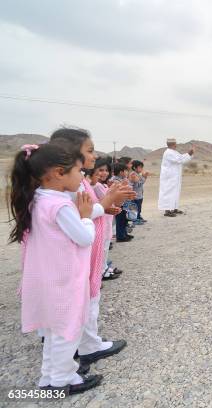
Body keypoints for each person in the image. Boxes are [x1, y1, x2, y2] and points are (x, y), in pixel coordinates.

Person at [8, 141, 103, 394]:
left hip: (46, 280)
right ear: (59, 173)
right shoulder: (60, 206)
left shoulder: (37, 199)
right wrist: (84, 216)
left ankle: (49, 377)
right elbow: (84, 238)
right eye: (78, 171)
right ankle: (61, 381)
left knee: (53, 332)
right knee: (66, 331)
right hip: (63, 281)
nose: (82, 177)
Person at [49, 128, 131, 374]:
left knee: (89, 295)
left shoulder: (78, 180)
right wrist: (106, 203)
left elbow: (90, 209)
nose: (95, 156)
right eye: (90, 150)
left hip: (89, 243)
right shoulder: (71, 184)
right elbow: (79, 214)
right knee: (85, 297)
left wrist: (108, 205)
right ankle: (82, 350)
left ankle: (87, 344)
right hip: (82, 246)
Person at [158, 138, 194, 217]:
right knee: (168, 192)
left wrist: (189, 154)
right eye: (175, 143)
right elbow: (179, 160)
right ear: (173, 144)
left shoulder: (174, 152)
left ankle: (174, 208)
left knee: (175, 192)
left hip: (174, 176)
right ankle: (167, 211)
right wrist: (189, 153)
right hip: (169, 177)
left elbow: (181, 158)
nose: (176, 145)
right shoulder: (168, 153)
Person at [129, 160, 148, 224]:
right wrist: (144, 177)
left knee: (139, 208)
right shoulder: (133, 174)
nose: (141, 169)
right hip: (135, 195)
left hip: (139, 195)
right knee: (135, 208)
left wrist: (143, 177)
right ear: (134, 167)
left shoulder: (138, 174)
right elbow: (137, 185)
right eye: (140, 167)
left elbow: (141, 183)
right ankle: (135, 220)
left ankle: (138, 217)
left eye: (142, 167)